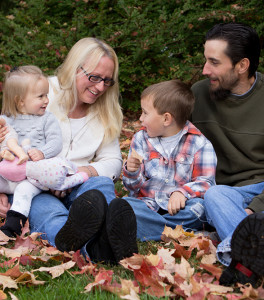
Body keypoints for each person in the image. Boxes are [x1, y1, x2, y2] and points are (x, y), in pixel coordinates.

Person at [0, 38, 138, 264]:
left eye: (107, 80)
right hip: (37, 186)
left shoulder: (107, 109)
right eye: (94, 77)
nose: (100, 87)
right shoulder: (42, 91)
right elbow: (9, 137)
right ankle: (96, 249)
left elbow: (113, 161)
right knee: (48, 213)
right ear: (75, 68)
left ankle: (105, 238)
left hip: (79, 182)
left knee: (102, 185)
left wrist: (78, 173)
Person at [191, 23, 264, 293]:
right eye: (206, 60)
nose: (205, 70)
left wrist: (258, 209)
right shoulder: (198, 95)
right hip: (229, 194)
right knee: (214, 196)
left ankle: (241, 257)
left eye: (214, 62)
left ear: (242, 65)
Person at [123, 80, 217, 241]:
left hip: (181, 209)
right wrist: (132, 172)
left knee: (199, 209)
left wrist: (182, 192)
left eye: (145, 113)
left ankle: (145, 228)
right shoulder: (141, 139)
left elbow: (206, 182)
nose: (140, 118)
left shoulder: (199, 143)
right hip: (148, 205)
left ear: (166, 119)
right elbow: (133, 189)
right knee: (125, 206)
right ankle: (186, 234)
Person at [0, 65, 63, 237]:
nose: (46, 100)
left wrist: (42, 152)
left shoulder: (47, 119)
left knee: (24, 192)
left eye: (46, 95)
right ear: (20, 101)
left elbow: (56, 142)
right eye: (41, 96)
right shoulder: (5, 120)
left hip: (32, 176)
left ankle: (13, 226)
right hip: (8, 173)